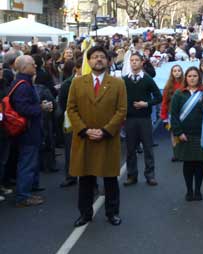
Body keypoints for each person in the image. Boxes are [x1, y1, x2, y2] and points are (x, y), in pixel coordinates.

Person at [67, 46, 127, 227]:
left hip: (107, 139)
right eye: (94, 57)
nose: (98, 60)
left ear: (108, 61)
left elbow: (122, 110)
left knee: (110, 179)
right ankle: (85, 214)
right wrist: (85, 130)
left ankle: (112, 213)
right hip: (84, 139)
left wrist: (106, 130)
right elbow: (71, 109)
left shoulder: (117, 84)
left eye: (102, 57)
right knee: (85, 179)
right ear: (89, 61)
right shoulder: (77, 83)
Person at [11, 56, 47, 207]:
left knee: (29, 161)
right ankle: (23, 196)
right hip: (28, 130)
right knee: (27, 162)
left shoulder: (23, 82)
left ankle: (28, 190)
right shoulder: (23, 85)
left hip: (29, 129)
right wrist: (41, 108)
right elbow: (23, 108)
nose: (36, 66)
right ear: (25, 67)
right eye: (33, 64)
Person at [122, 53, 162, 186]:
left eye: (136, 60)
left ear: (141, 62)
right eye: (132, 60)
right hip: (129, 119)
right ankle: (131, 175)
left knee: (148, 148)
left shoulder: (147, 79)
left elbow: (158, 97)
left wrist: (146, 104)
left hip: (144, 118)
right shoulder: (124, 80)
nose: (134, 63)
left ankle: (150, 175)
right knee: (130, 149)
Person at [170, 67, 203, 201]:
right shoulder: (179, 94)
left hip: (201, 134)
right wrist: (179, 132)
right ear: (186, 78)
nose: (192, 78)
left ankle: (198, 190)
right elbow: (174, 115)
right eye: (189, 76)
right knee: (188, 164)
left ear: (199, 77)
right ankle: (189, 190)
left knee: (200, 163)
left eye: (195, 76)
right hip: (185, 135)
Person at [58, 58, 83, 188]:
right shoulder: (68, 84)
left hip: (87, 121)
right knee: (70, 150)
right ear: (77, 69)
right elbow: (62, 103)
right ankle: (70, 176)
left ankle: (89, 180)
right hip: (71, 121)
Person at [160, 65, 184, 162]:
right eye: (175, 71)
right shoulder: (168, 87)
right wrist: (164, 117)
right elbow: (164, 102)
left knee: (183, 133)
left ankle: (183, 152)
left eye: (179, 70)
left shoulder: (185, 84)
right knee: (174, 134)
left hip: (184, 112)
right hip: (171, 114)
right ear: (172, 73)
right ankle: (176, 153)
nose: (177, 72)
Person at [0, 63, 12, 201]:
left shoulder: (4, 85)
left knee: (3, 160)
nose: (1, 71)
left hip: (5, 128)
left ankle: (1, 184)